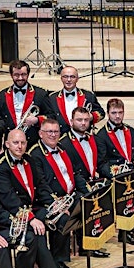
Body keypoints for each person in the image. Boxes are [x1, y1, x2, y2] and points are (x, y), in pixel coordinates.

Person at [29, 118, 82, 268]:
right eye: (49, 132)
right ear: (40, 134)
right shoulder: (35, 154)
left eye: (56, 131)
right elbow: (41, 186)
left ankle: (87, 246)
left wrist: (86, 192)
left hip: (67, 196)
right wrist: (57, 204)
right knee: (62, 219)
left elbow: (73, 173)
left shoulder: (63, 148)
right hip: (44, 202)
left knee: (87, 203)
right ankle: (58, 262)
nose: (53, 135)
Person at [96, 98, 134, 243]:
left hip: (131, 173)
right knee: (125, 192)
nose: (117, 116)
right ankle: (124, 232)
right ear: (108, 113)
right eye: (114, 113)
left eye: (120, 112)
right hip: (114, 176)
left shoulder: (130, 130)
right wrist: (116, 174)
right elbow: (101, 163)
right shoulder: (101, 135)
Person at [59, 106, 110, 258]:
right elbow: (71, 172)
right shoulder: (64, 143)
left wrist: (112, 176)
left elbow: (100, 163)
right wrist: (88, 190)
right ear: (71, 121)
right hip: (76, 187)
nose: (83, 123)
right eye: (79, 120)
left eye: (86, 120)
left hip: (92, 181)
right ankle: (85, 245)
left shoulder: (94, 138)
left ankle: (96, 238)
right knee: (85, 201)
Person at [0, 60, 49, 147]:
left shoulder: (40, 94)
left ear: (28, 74)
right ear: (11, 75)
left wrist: (37, 120)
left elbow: (51, 117)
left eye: (23, 74)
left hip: (34, 144)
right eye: (16, 75)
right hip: (10, 144)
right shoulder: (2, 96)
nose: (20, 78)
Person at [44, 66, 105, 133]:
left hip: (83, 136)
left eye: (72, 77)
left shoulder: (88, 95)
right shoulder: (52, 98)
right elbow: (48, 117)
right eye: (65, 77)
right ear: (61, 78)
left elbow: (101, 113)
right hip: (60, 138)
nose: (69, 80)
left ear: (77, 79)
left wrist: (91, 116)